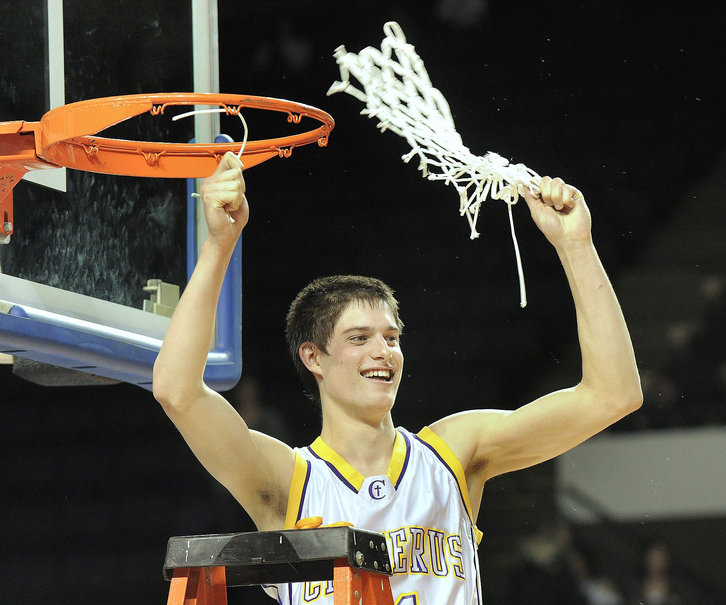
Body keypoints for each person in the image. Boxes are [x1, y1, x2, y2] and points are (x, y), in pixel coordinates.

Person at [152, 151, 643, 604]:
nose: (383, 351)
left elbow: (612, 395)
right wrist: (219, 244)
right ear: (313, 357)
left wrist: (576, 245)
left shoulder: (454, 454)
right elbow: (177, 391)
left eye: (392, 336)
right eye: (360, 338)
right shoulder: (288, 480)